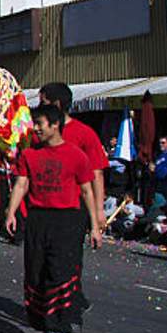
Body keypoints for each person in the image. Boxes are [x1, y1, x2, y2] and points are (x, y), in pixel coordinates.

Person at [5, 103, 101, 333]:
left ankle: (60, 331)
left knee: (60, 273)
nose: (35, 129)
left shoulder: (76, 155)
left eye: (40, 124)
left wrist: (94, 225)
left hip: (67, 221)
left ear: (55, 124)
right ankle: (45, 329)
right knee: (36, 272)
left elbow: (86, 191)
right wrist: (11, 212)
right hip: (38, 219)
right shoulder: (29, 155)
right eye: (34, 123)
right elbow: (21, 183)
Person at [36, 84, 107, 248]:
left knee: (66, 259)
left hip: (72, 210)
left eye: (43, 103)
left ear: (57, 105)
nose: (40, 108)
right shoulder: (38, 134)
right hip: (42, 208)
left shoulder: (84, 133)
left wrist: (98, 211)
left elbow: (97, 173)